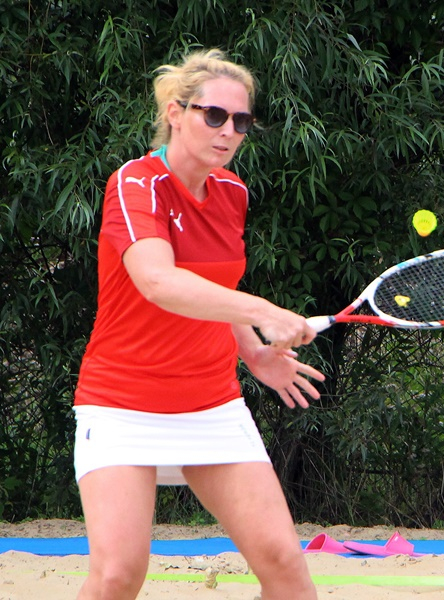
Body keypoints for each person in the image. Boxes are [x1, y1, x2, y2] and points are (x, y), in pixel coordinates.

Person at [73, 49, 324, 600]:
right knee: (117, 575)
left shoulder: (232, 193)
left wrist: (253, 352)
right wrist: (262, 313)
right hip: (120, 402)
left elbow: (218, 289)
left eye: (241, 121)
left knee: (285, 564)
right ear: (174, 111)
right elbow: (159, 282)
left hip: (211, 404)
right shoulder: (135, 184)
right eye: (214, 115)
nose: (229, 131)